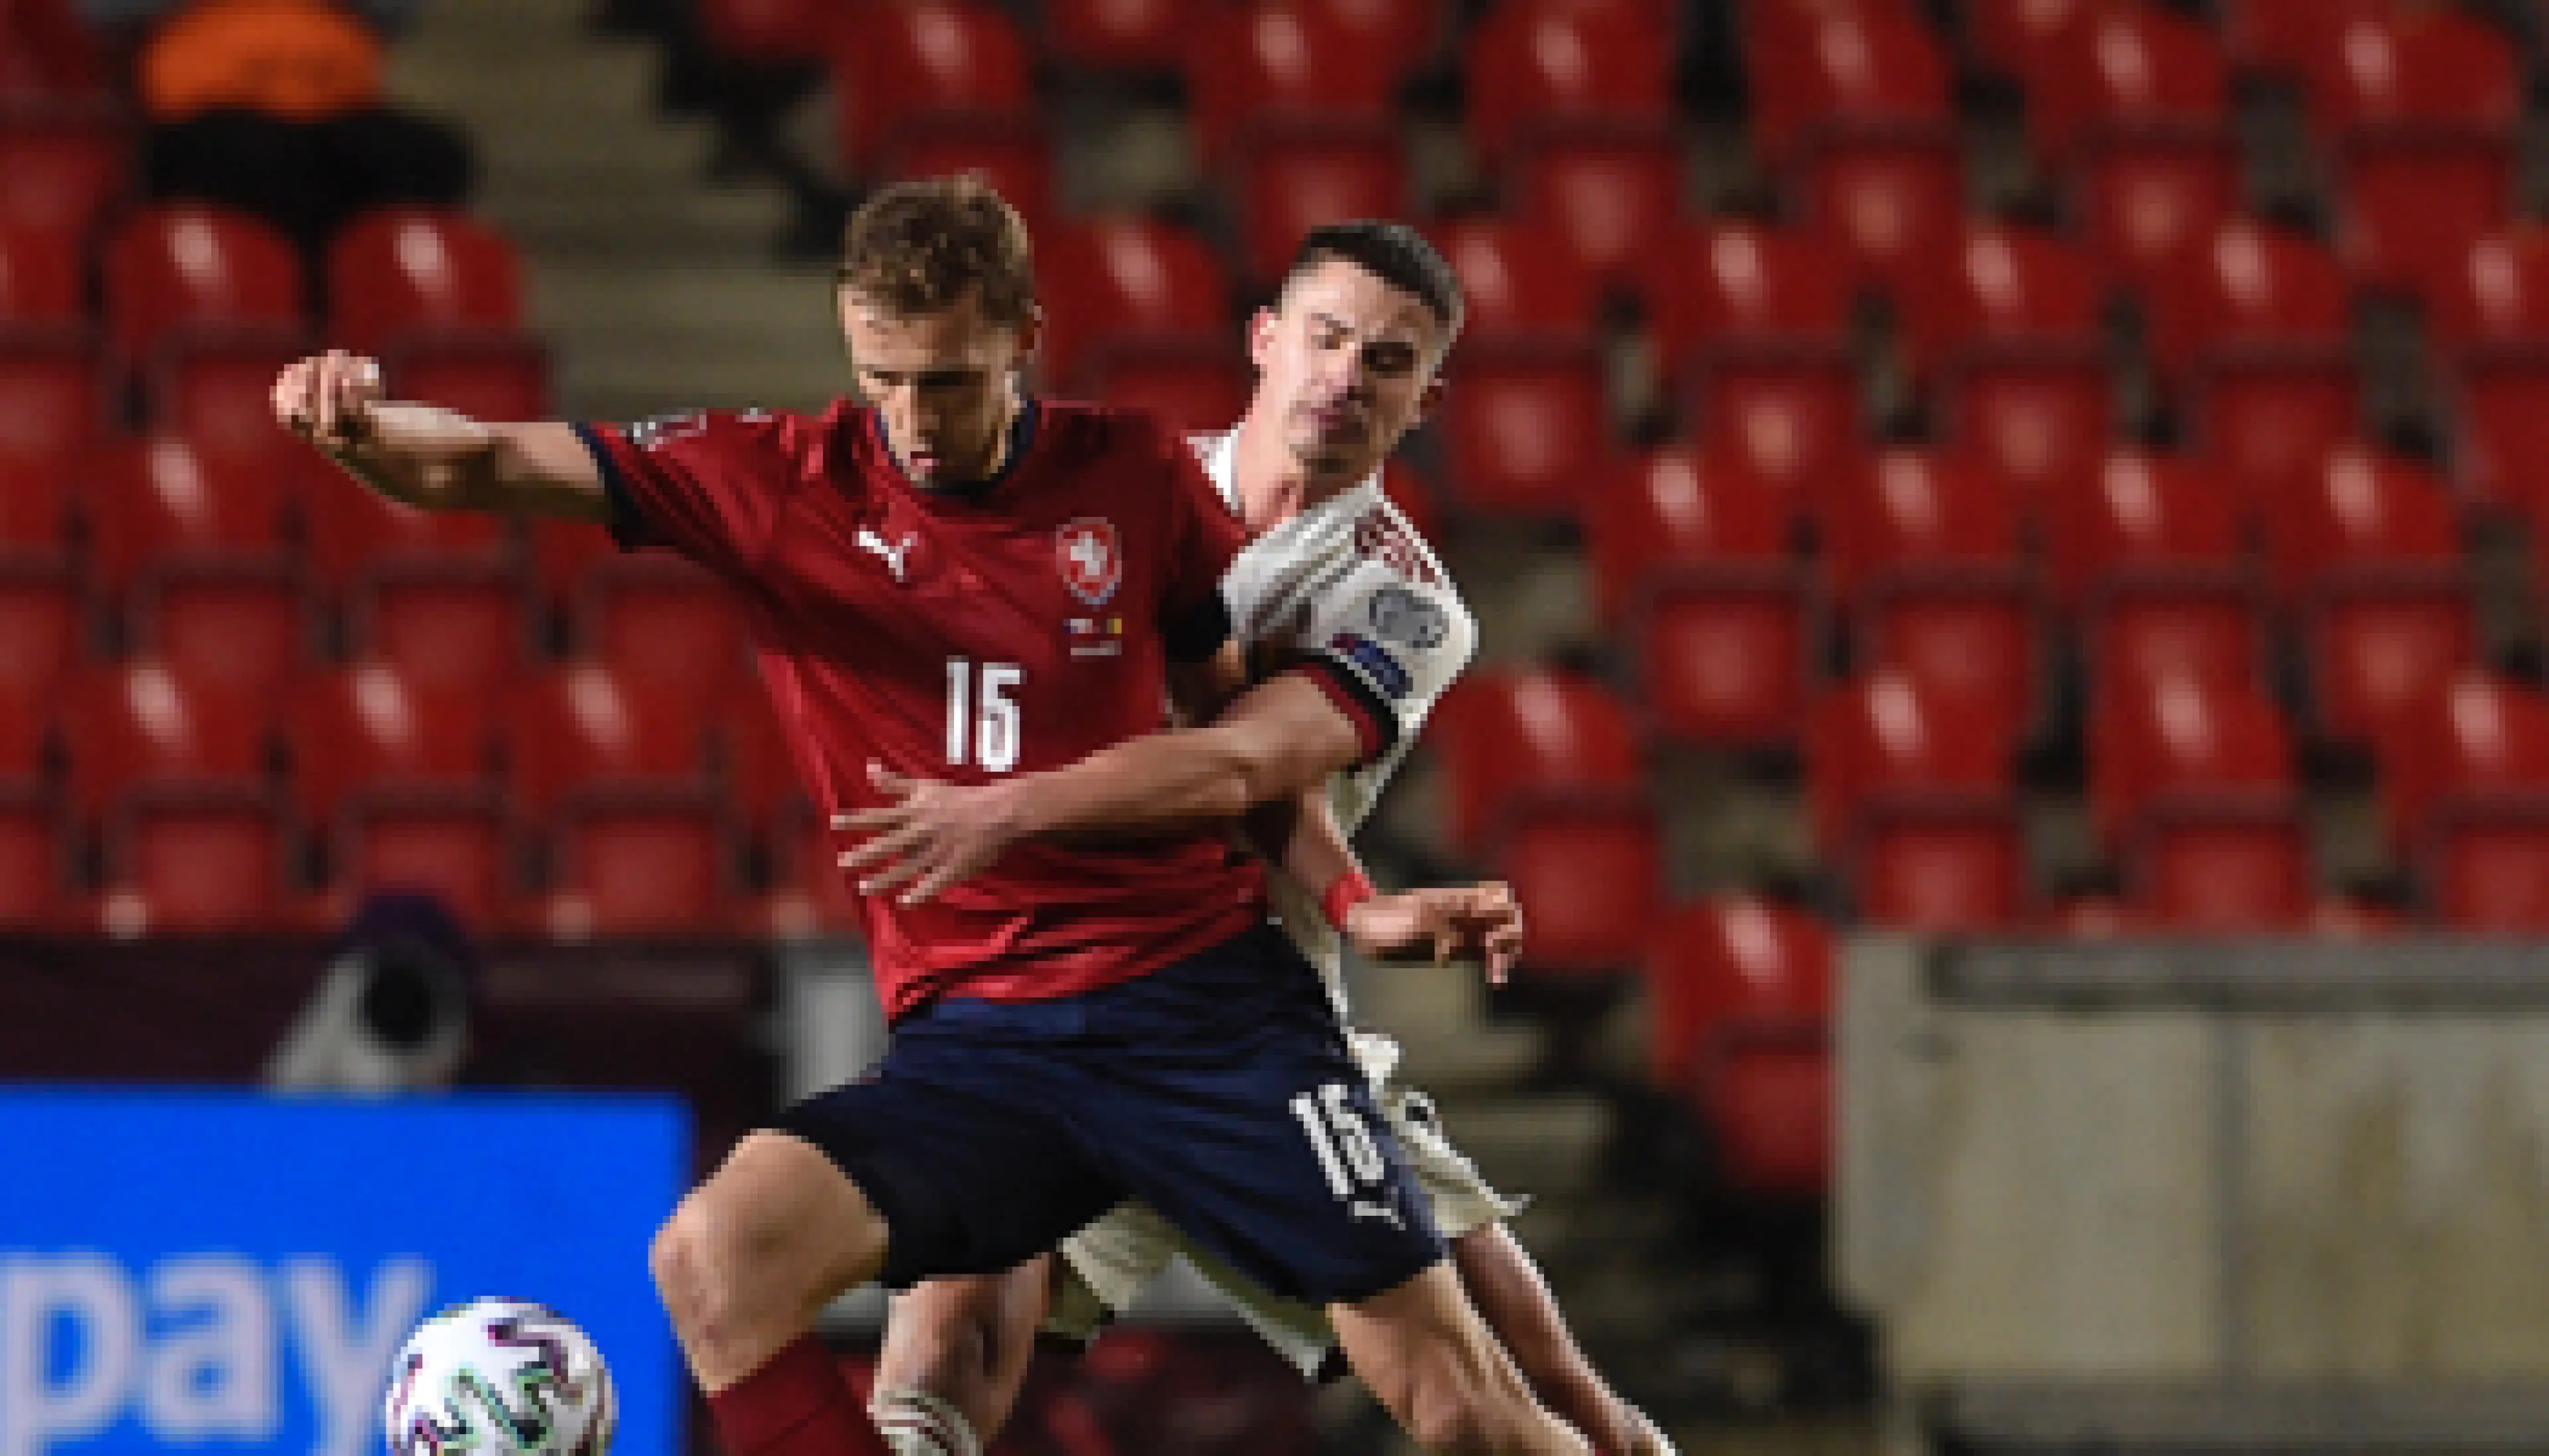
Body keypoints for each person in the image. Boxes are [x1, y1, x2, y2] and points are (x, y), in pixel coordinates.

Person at [271, 173, 1592, 1455]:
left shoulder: (1130, 480)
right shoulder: (777, 482)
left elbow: (1237, 755)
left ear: (1024, 342)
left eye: (948, 380)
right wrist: (371, 436)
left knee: (1468, 1409)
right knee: (714, 1256)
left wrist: (1350, 901)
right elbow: (492, 461)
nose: (910, 416)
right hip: (981, 1044)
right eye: (881, 373)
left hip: (1202, 1011)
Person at [840, 221, 1673, 1456]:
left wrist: (1351, 910)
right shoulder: (1120, 487)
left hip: (1244, 1019)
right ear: (1265, 340)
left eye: (1386, 363)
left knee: (1514, 1413)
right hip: (1054, 987)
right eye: (1326, 339)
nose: (1343, 378)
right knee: (940, 1332)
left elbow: (1240, 766)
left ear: (1424, 401)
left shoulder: (1405, 599)